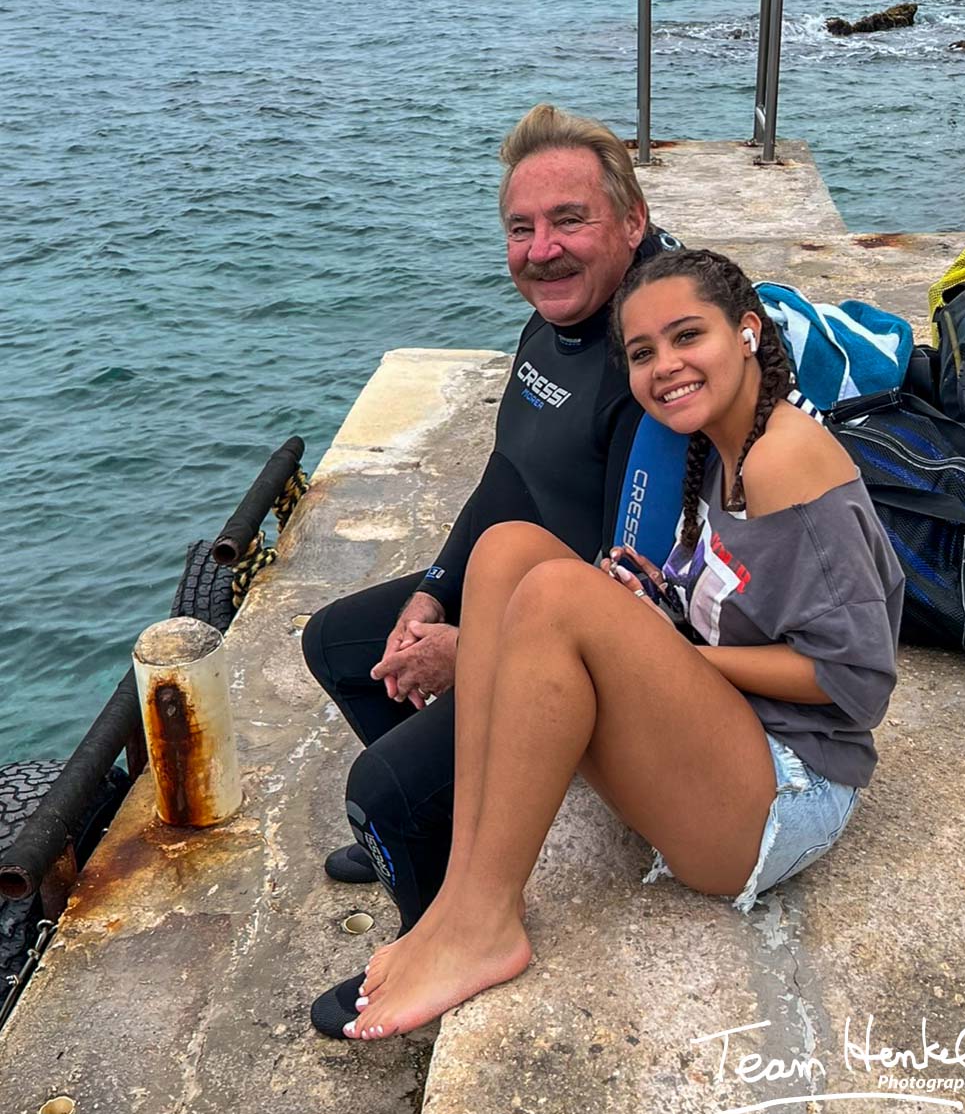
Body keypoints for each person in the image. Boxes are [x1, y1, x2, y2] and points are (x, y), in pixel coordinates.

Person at [337, 247, 905, 1041]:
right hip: (727, 742)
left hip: (787, 792)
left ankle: (484, 923)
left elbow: (854, 678)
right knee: (507, 550)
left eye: (687, 336)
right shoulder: (711, 445)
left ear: (745, 332)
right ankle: (465, 890)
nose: (664, 366)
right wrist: (655, 611)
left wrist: (666, 655)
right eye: (642, 352)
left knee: (559, 597)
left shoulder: (785, 458)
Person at [304, 104, 683, 1036]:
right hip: (518, 583)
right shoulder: (552, 327)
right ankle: (435, 843)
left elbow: (631, 589)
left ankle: (444, 933)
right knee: (341, 644)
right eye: (521, 228)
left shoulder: (651, 358)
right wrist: (435, 591)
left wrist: (472, 649)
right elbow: (508, 475)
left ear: (631, 221)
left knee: (380, 791)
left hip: (597, 643)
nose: (541, 252)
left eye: (569, 221)